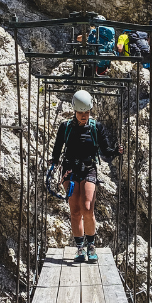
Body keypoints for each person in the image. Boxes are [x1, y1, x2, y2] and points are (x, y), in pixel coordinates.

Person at [47, 89, 123, 263]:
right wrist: (53, 163)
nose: (84, 116)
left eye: (87, 112)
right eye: (81, 113)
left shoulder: (97, 127)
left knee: (87, 208)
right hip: (70, 170)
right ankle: (80, 248)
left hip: (88, 169)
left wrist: (116, 151)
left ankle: (91, 245)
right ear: (75, 111)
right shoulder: (65, 127)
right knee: (75, 211)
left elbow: (105, 150)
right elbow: (57, 149)